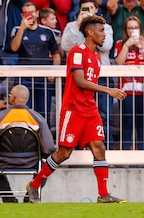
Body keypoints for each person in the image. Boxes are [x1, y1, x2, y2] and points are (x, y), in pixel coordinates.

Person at [26, 15, 128, 203]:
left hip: (90, 110)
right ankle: (34, 185)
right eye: (100, 31)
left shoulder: (96, 58)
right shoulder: (77, 52)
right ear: (90, 33)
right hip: (73, 110)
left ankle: (103, 195)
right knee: (64, 153)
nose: (104, 35)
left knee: (99, 149)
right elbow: (80, 81)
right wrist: (108, 90)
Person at [0, 85, 56, 203]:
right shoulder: (38, 118)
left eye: (9, 95)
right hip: (32, 161)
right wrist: (41, 157)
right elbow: (49, 147)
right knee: (46, 166)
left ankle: (8, 199)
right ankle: (29, 197)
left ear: (13, 98)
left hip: (4, 161)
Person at [61, 0, 115, 149]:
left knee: (105, 117)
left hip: (101, 77)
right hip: (80, 77)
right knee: (78, 118)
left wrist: (94, 29)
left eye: (91, 8)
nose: (88, 11)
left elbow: (106, 46)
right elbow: (67, 47)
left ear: (97, 10)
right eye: (85, 8)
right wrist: (80, 26)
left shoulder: (106, 27)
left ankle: (107, 150)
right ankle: (77, 151)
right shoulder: (72, 25)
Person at [10, 2, 60, 124]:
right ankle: (28, 140)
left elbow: (56, 55)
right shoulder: (17, 29)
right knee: (25, 111)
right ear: (22, 15)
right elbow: (13, 48)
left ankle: (43, 141)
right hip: (24, 78)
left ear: (37, 13)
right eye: (26, 13)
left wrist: (53, 71)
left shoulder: (47, 31)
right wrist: (22, 29)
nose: (30, 15)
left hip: (43, 78)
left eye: (32, 12)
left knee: (44, 112)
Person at [114, 16, 144, 150]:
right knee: (126, 124)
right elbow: (118, 62)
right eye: (130, 28)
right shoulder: (120, 43)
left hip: (142, 90)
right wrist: (127, 45)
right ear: (126, 30)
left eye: (136, 28)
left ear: (140, 29)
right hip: (125, 91)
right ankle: (124, 159)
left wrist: (142, 48)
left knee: (142, 125)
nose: (133, 31)